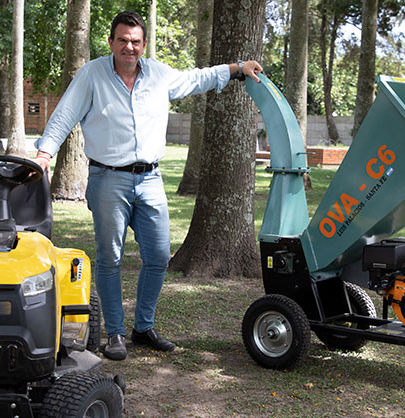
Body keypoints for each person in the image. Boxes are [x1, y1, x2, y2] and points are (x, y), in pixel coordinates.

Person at [34, 11, 262, 361]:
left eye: (136, 41)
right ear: (111, 42)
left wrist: (237, 68)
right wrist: (44, 154)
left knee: (157, 256)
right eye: (123, 40)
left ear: (144, 44)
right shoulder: (92, 75)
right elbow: (64, 115)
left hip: (150, 179)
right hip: (108, 178)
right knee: (110, 257)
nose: (129, 47)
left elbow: (196, 79)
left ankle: (143, 327)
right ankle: (114, 333)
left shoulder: (158, 74)